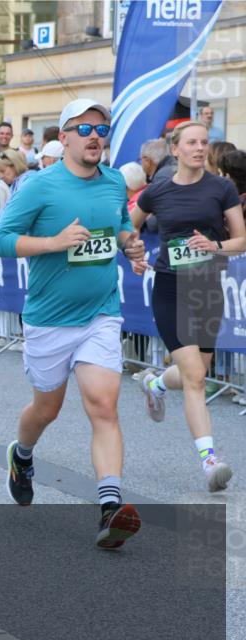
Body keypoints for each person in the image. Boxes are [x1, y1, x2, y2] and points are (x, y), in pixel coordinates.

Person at [0, 99, 148, 549]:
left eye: (102, 129)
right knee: (47, 410)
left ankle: (110, 507)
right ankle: (22, 455)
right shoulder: (40, 186)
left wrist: (130, 245)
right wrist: (53, 242)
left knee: (104, 405)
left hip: (100, 312)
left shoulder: (114, 181)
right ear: (64, 137)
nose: (94, 136)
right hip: (49, 319)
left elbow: (119, 224)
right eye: (84, 129)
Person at [129, 121, 245, 493]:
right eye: (191, 142)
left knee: (197, 372)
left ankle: (155, 383)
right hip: (171, 289)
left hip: (208, 289)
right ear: (175, 149)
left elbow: (241, 239)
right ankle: (210, 461)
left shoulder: (222, 188)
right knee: (194, 376)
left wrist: (215, 247)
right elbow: (128, 228)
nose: (199, 148)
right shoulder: (157, 190)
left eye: (204, 142)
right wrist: (133, 253)